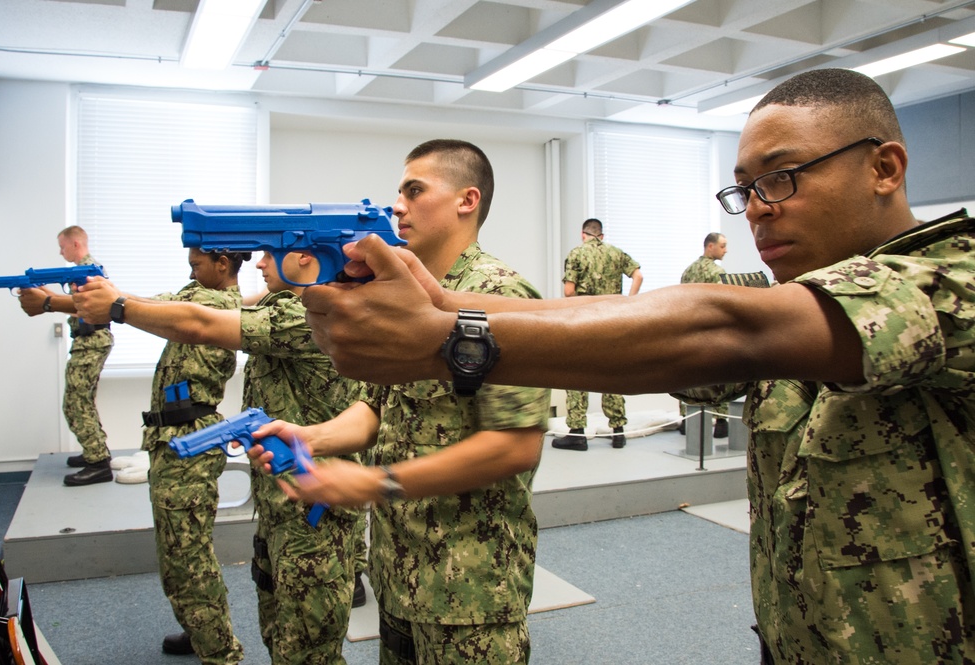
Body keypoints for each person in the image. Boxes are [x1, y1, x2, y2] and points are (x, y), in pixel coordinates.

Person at [293, 70, 975, 664]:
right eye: (745, 190)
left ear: (884, 167)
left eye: (782, 177)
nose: (759, 210)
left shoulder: (952, 277)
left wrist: (446, 337)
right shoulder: (790, 307)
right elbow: (623, 316)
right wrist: (445, 302)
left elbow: (724, 329)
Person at [252, 139, 551, 664]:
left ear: (467, 200)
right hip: (400, 567)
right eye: (399, 192)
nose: (397, 206)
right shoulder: (405, 294)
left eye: (415, 191)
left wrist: (372, 482)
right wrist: (312, 436)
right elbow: (376, 407)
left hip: (470, 587)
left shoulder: (501, 294)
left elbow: (514, 446)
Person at [73, 249, 366, 664]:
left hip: (312, 507)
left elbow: (200, 323)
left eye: (270, 256)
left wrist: (118, 307)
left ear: (304, 257)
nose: (261, 265)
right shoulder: (285, 307)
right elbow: (187, 308)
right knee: (281, 632)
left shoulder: (310, 316)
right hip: (283, 500)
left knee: (308, 647)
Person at [97, 248, 246, 664]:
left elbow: (159, 310)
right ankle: (199, 628)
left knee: (188, 556)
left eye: (198, 263)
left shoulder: (214, 304)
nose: (191, 271)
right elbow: (151, 304)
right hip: (170, 437)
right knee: (176, 550)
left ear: (222, 263)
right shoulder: (198, 295)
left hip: (189, 441)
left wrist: (112, 304)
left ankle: (221, 652)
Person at [17, 226, 115, 486]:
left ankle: (98, 463)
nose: (60, 252)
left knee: (75, 402)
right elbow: (73, 303)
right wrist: (43, 293)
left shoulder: (87, 271)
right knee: (83, 400)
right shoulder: (84, 270)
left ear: (75, 243)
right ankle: (95, 453)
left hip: (91, 340)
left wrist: (46, 300)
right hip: (89, 340)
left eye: (62, 246)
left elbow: (85, 306)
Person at [551, 218, 641, 451]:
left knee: (577, 374)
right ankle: (618, 432)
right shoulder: (617, 252)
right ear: (600, 235)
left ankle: (577, 433)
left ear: (583, 235)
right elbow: (638, 275)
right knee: (612, 375)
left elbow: (569, 291)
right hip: (613, 321)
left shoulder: (576, 253)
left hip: (584, 321)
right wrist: (627, 302)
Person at [678, 232, 729, 439]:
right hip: (711, 331)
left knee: (688, 375)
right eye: (723, 246)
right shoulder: (717, 272)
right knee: (719, 374)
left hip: (689, 331)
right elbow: (723, 302)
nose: (726, 250)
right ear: (710, 247)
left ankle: (686, 420)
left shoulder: (688, 271)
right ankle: (722, 421)